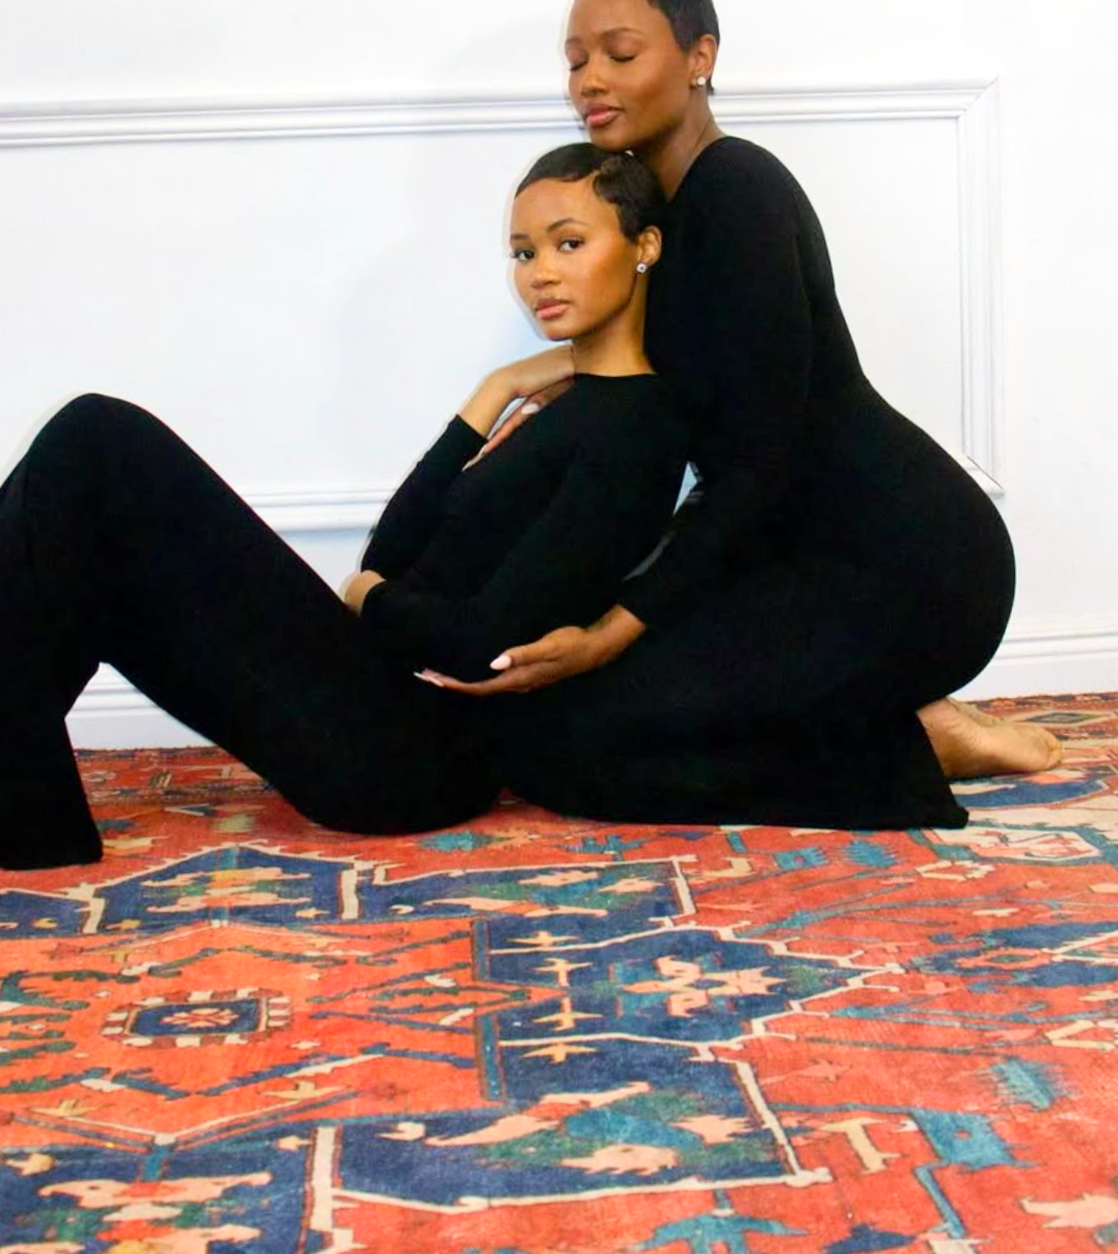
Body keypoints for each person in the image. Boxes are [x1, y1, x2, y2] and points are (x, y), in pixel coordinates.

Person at [426, 0, 1062, 832]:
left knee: (573, 749)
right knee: (549, 732)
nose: (590, 81)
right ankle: (885, 724)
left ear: (699, 56)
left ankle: (915, 747)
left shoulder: (738, 188)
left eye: (619, 52)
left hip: (907, 564)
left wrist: (618, 627)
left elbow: (762, 454)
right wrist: (540, 378)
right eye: (576, 61)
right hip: (784, 553)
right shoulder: (657, 220)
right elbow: (684, 376)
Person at [0, 146, 688, 870]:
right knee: (79, 515)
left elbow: (485, 645)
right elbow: (389, 551)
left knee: (98, 438)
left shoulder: (636, 430)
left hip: (412, 756)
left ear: (644, 245)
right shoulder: (559, 407)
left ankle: (24, 816)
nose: (539, 272)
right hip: (377, 702)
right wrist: (495, 391)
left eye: (568, 242)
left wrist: (370, 602)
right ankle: (25, 815)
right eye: (523, 252)